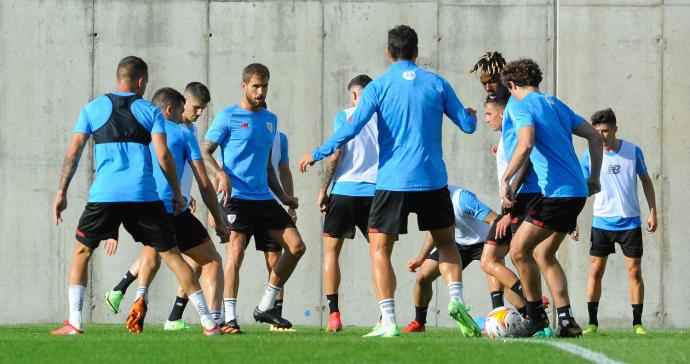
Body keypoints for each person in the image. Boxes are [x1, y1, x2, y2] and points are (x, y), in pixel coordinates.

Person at [299, 25, 479, 338]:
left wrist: (318, 152)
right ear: (417, 50)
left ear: (388, 52)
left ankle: (389, 319)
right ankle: (455, 298)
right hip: (432, 180)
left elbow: (351, 129)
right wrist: (473, 115)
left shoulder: (378, 87)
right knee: (447, 243)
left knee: (379, 250)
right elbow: (467, 125)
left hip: (393, 181)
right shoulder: (437, 83)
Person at [51, 56, 220, 336]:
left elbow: (73, 152)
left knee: (82, 252)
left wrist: (62, 192)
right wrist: (177, 192)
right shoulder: (150, 111)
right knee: (173, 257)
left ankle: (75, 322)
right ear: (141, 82)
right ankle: (209, 322)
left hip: (105, 194)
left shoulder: (92, 109)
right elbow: (163, 155)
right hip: (143, 194)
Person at [499, 58, 603, 338]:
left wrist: (505, 178)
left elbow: (526, 142)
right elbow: (594, 137)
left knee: (519, 250)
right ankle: (567, 321)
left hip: (558, 195)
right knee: (543, 254)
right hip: (576, 192)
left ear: (511, 85)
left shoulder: (520, 106)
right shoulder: (555, 103)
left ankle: (536, 319)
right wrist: (594, 177)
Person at [102, 82, 215, 331]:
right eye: (195, 107)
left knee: (163, 254)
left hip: (169, 202)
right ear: (173, 108)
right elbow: (165, 161)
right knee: (175, 257)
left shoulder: (187, 130)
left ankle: (129, 294)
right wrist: (179, 194)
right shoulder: (166, 130)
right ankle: (205, 319)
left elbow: (176, 165)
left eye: (202, 109)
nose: (198, 113)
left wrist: (185, 193)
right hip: (165, 204)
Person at [202, 63, 305, 334]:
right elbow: (204, 152)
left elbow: (268, 166)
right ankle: (229, 319)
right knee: (235, 252)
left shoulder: (271, 120)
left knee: (296, 247)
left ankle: (265, 307)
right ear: (244, 86)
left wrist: (282, 195)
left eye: (265, 86)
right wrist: (220, 174)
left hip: (263, 198)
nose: (260, 92)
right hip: (236, 197)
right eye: (256, 86)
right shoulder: (227, 117)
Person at [577, 108, 657, 335]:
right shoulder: (589, 155)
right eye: (597, 131)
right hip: (601, 222)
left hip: (630, 223)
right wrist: (572, 219)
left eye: (605, 131)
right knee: (595, 271)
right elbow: (582, 190)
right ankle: (592, 323)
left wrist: (653, 212)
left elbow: (646, 182)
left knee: (634, 272)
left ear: (615, 129)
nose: (601, 135)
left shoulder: (633, 151)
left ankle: (637, 323)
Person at [318, 75, 378, 332]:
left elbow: (336, 154)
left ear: (354, 95)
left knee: (331, 252)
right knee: (379, 254)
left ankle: (334, 316)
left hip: (344, 191)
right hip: (377, 193)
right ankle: (385, 315)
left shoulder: (344, 116)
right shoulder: (383, 118)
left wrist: (323, 189)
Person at [403, 186, 504, 333]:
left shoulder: (462, 198)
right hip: (455, 244)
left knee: (495, 271)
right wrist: (421, 258)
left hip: (483, 240)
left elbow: (495, 220)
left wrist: (499, 248)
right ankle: (419, 322)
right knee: (422, 276)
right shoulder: (429, 200)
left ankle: (500, 318)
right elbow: (436, 231)